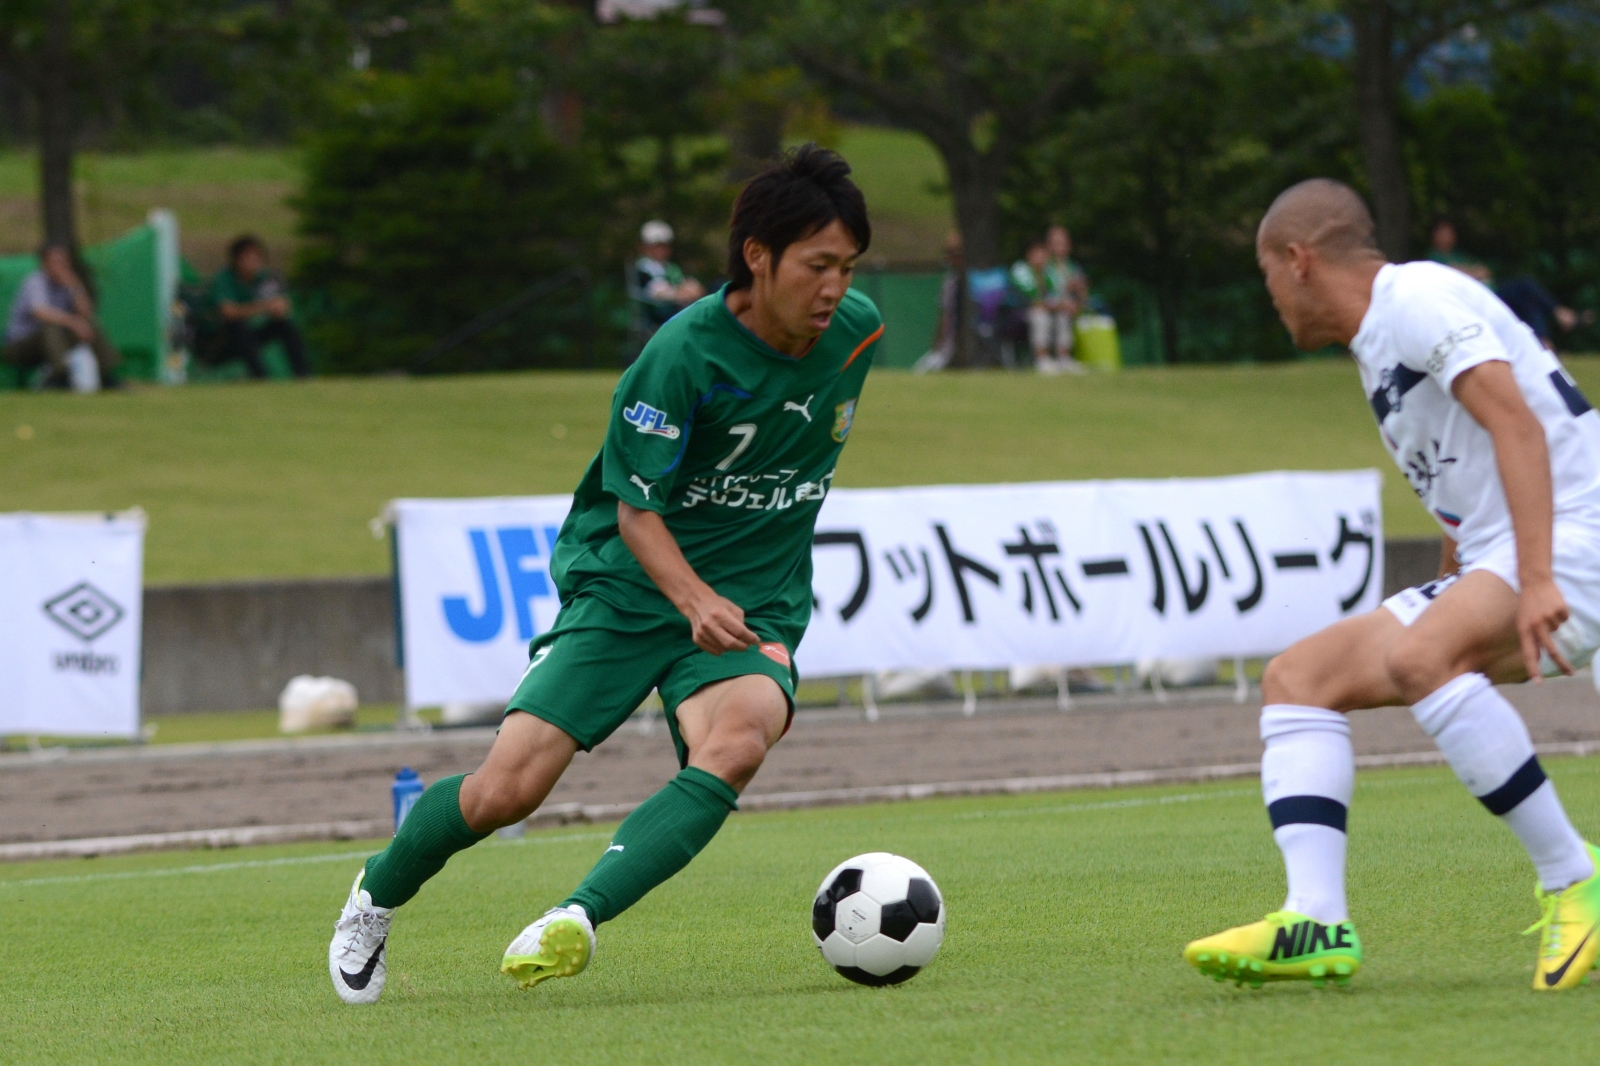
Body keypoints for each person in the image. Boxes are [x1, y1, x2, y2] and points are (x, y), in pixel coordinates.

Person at [328, 145, 883, 1004]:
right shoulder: (682, 355)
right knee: (507, 790)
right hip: (630, 584)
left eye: (847, 267)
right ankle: (375, 894)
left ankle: (576, 919)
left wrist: (723, 599)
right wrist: (691, 599)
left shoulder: (858, 334)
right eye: (817, 266)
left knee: (739, 741)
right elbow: (636, 511)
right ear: (758, 257)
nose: (834, 288)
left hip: (754, 598)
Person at [1185, 178, 1600, 992]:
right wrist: (1456, 577)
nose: (1272, 299)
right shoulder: (1378, 342)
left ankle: (1574, 879)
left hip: (1574, 532)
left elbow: (1515, 421)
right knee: (1298, 680)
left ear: (1298, 260)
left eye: (1267, 277)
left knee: (1422, 659)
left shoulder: (1414, 297)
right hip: (1513, 547)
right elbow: (1464, 469)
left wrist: (1538, 577)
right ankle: (1315, 920)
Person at [1428, 218, 1583, 350]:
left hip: (1492, 292)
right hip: (1478, 300)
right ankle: (1560, 313)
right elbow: (1454, 272)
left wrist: (1472, 271)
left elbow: (1485, 270)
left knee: (1529, 303)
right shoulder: (1434, 257)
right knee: (1524, 284)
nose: (1447, 237)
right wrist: (1472, 272)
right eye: (1443, 233)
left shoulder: (1460, 255)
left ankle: (1546, 344)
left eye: (1449, 233)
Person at [3, 243, 121, 389]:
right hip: (21, 345)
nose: (61, 266)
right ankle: (59, 376)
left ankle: (107, 375)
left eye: (64, 262)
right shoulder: (35, 282)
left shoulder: (67, 284)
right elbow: (41, 312)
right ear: (45, 264)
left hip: (56, 342)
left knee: (88, 324)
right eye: (56, 262)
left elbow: (86, 312)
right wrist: (73, 323)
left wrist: (75, 285)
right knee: (50, 328)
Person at [210, 235, 310, 379]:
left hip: (251, 334)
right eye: (248, 257)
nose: (254, 261)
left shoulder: (264, 278)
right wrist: (264, 307)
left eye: (257, 257)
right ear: (237, 260)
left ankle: (304, 375)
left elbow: (281, 304)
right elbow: (228, 312)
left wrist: (278, 307)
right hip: (221, 341)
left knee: (284, 325)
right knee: (237, 326)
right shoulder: (224, 279)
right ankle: (261, 378)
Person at [635, 220, 706, 328]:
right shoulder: (643, 268)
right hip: (658, 313)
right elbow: (657, 293)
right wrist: (679, 293)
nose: (662, 250)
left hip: (678, 308)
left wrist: (689, 290)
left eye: (665, 246)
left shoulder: (672, 268)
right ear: (646, 247)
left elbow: (689, 285)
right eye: (657, 246)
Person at [1040, 224, 1090, 374]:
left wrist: (1079, 291)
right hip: (1048, 307)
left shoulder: (1073, 267)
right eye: (1056, 243)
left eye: (1062, 242)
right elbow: (1040, 294)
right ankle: (1046, 360)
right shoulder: (1043, 267)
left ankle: (1064, 358)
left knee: (1066, 314)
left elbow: (1083, 296)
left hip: (1069, 308)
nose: (1059, 247)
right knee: (1050, 316)